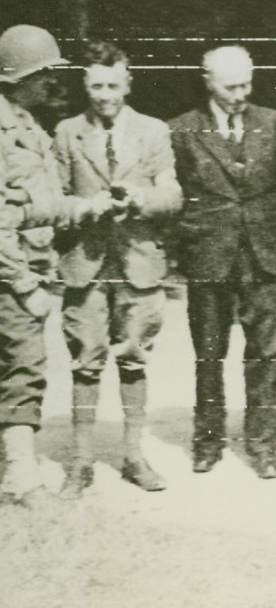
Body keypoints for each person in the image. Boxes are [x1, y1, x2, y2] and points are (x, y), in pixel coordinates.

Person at [54, 41, 182, 497]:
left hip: (138, 263)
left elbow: (173, 194)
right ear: (85, 85)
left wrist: (141, 198)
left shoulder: (153, 132)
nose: (105, 94)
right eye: (96, 85)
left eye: (113, 84)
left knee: (134, 357)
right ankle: (82, 463)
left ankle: (133, 456)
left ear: (128, 84)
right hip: (86, 264)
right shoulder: (68, 133)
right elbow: (56, 199)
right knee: (85, 361)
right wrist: (87, 207)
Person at [169, 45, 276, 480]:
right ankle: (207, 441)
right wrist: (184, 250)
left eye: (247, 83)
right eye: (231, 86)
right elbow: (176, 200)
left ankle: (264, 445)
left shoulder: (274, 124)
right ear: (208, 82)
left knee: (267, 353)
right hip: (209, 256)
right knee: (209, 354)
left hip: (264, 255)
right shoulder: (183, 131)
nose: (242, 94)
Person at [0, 25, 71, 502]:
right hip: (11, 274)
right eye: (44, 73)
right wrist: (26, 285)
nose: (52, 83)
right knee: (24, 367)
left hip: (27, 265)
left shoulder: (27, 124)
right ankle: (21, 475)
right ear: (18, 76)